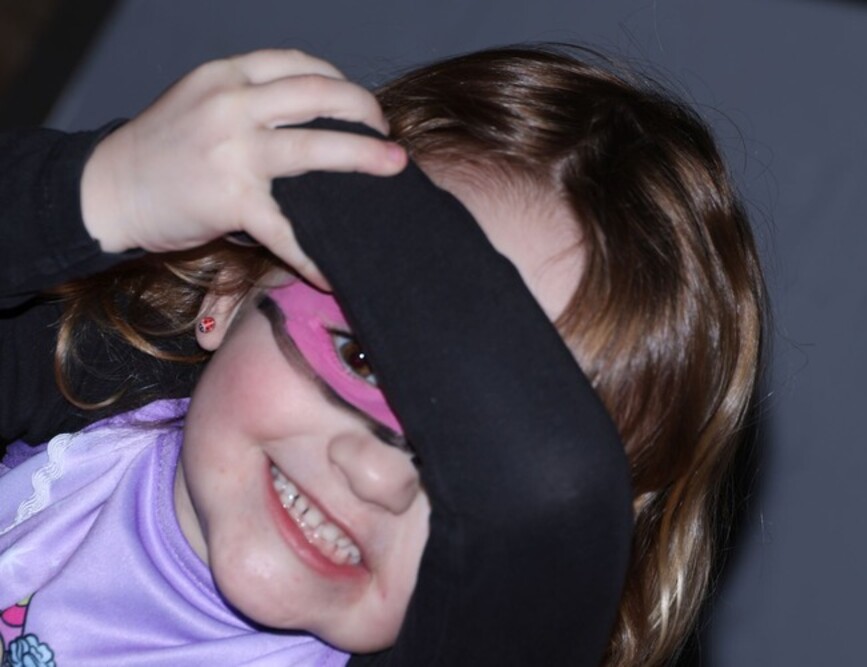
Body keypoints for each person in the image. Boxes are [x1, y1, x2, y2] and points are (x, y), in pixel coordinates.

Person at [0, 44, 765, 667]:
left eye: (476, 459)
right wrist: (103, 193)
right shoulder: (83, 383)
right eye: (363, 355)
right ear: (230, 284)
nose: (377, 475)